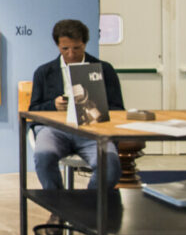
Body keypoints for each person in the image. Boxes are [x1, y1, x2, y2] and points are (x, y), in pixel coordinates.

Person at [28, 18, 124, 190]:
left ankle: (89, 207)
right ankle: (58, 207)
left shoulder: (103, 69)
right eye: (65, 49)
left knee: (110, 164)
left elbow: (118, 108)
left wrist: (99, 108)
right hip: (55, 129)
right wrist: (53, 105)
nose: (71, 54)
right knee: (43, 156)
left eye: (76, 48)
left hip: (93, 130)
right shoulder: (44, 72)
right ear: (58, 46)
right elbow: (33, 110)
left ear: (85, 44)